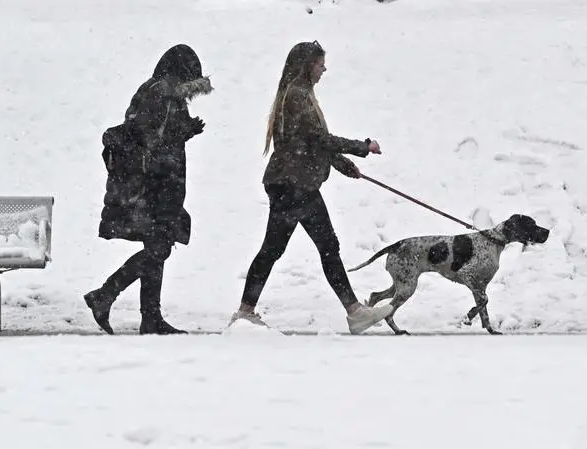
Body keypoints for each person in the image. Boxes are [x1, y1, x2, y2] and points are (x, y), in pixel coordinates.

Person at [229, 41, 394, 334]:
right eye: (320, 64)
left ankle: (246, 311)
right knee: (319, 247)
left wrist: (343, 165)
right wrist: (362, 147)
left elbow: (311, 141)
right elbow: (319, 138)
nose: (324, 69)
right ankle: (353, 311)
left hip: (293, 185)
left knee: (281, 248)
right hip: (294, 187)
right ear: (307, 66)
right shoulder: (296, 96)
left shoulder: (300, 94)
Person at [85, 44, 212, 335]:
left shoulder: (164, 93)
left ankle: (150, 317)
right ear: (178, 72)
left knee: (157, 248)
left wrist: (183, 132)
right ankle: (105, 295)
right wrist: (184, 133)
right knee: (159, 248)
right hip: (153, 188)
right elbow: (150, 142)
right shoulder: (160, 93)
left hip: (160, 185)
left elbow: (157, 138)